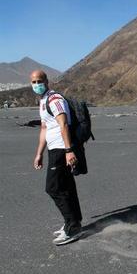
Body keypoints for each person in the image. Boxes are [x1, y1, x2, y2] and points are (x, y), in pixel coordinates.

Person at [31, 70, 83, 245]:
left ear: (46, 81)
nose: (36, 84)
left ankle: (73, 226)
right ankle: (73, 221)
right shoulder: (43, 101)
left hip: (62, 148)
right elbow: (44, 128)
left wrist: (69, 150)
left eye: (39, 80)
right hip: (54, 149)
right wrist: (39, 153)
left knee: (53, 188)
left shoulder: (55, 99)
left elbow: (63, 124)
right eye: (33, 82)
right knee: (66, 186)